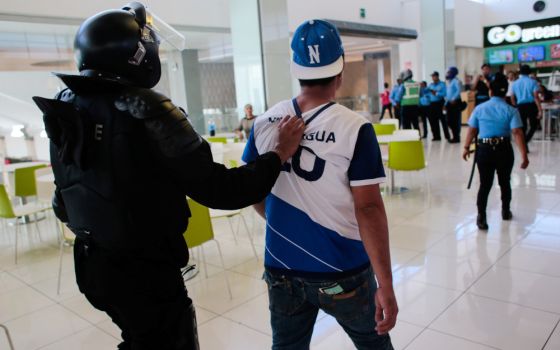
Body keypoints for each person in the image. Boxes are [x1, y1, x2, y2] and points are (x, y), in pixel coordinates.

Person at [32, 3, 305, 349]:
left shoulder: (66, 106)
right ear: (136, 54)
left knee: (138, 337)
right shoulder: (148, 109)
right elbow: (223, 191)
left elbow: (63, 203)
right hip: (145, 272)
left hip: (92, 266)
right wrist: (278, 154)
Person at [243, 19, 397, 350]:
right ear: (340, 69)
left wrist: (283, 224)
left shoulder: (264, 123)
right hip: (343, 270)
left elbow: (253, 190)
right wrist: (385, 282)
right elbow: (368, 207)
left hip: (280, 267)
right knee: (374, 344)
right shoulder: (355, 128)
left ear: (296, 68)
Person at [463, 73, 529, 230]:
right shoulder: (511, 110)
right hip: (504, 149)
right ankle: (505, 211)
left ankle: (481, 217)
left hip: (484, 150)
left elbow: (472, 130)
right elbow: (518, 133)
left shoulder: (479, 109)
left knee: (485, 184)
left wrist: (466, 147)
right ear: (505, 91)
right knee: (505, 182)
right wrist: (524, 156)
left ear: (490, 91)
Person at [511, 65, 543, 147]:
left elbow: (512, 97)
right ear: (529, 72)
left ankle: (524, 145)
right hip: (531, 105)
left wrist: (515, 106)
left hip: (520, 106)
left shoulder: (515, 83)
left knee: (523, 126)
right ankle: (525, 142)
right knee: (534, 125)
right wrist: (540, 109)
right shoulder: (533, 82)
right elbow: (536, 96)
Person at [427, 71, 450, 141]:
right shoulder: (430, 85)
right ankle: (436, 136)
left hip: (440, 103)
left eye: (434, 76)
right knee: (433, 121)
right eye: (432, 76)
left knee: (443, 120)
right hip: (432, 104)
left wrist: (436, 93)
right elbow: (428, 94)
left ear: (437, 76)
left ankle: (447, 136)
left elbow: (445, 94)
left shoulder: (442, 84)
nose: (433, 78)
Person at [445, 66, 463, 143]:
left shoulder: (456, 81)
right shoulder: (449, 82)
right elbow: (448, 94)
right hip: (449, 103)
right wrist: (445, 104)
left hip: (455, 102)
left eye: (449, 72)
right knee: (449, 121)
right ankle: (454, 136)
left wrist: (454, 98)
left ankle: (456, 137)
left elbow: (459, 90)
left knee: (455, 121)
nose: (447, 74)